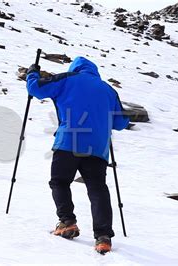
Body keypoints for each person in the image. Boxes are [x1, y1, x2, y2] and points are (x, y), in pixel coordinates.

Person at [26, 56, 129, 254]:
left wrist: (32, 73)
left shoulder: (67, 79)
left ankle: (67, 222)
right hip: (98, 148)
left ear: (75, 68)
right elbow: (121, 123)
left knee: (59, 181)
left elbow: (36, 89)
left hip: (68, 142)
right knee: (97, 189)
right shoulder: (108, 90)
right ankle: (103, 237)